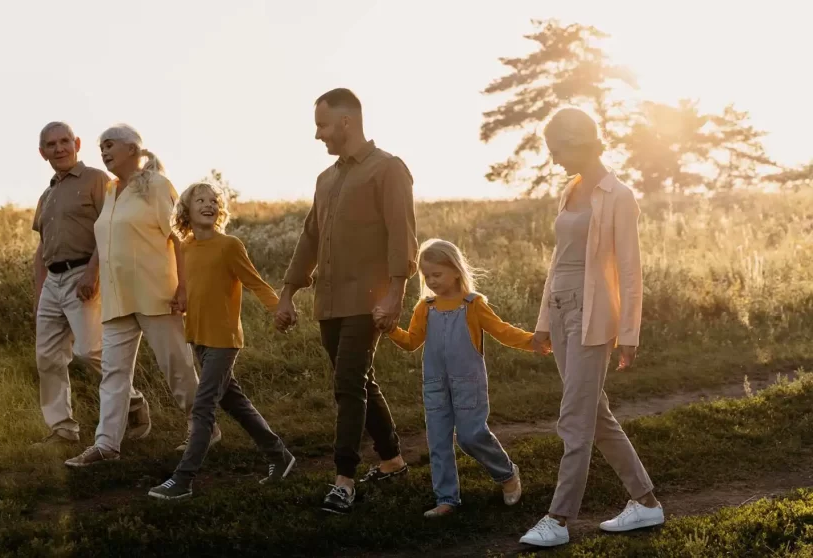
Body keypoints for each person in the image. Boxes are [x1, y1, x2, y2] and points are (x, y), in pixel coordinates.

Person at [519, 108, 662, 547]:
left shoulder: (618, 195)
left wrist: (630, 334)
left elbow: (630, 271)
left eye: (556, 148)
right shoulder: (569, 190)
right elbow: (557, 262)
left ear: (577, 141)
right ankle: (646, 503)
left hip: (591, 315)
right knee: (594, 415)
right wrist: (544, 322)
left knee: (574, 418)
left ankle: (559, 519)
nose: (554, 158)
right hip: (561, 310)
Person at [276, 88, 417, 514]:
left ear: (346, 122)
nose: (318, 135)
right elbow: (310, 238)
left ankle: (344, 479)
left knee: (347, 385)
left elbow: (402, 234)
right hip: (330, 300)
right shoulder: (327, 179)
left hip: (369, 299)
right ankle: (392, 459)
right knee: (357, 380)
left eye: (322, 125)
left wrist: (396, 294)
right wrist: (287, 293)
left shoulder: (388, 169)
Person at [64, 124, 210, 467]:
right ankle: (106, 445)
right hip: (117, 297)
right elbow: (107, 241)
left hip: (158, 292)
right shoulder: (113, 190)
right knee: (113, 373)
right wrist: (94, 275)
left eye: (109, 144)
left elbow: (180, 238)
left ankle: (204, 427)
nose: (103, 151)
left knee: (176, 367)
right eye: (101, 146)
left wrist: (184, 287)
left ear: (132, 149)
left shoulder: (156, 186)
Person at [148, 182, 296, 500]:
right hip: (198, 338)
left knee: (203, 408)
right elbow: (191, 286)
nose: (208, 203)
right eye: (199, 199)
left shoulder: (229, 245)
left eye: (213, 200)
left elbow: (254, 282)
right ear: (186, 210)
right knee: (234, 402)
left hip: (224, 340)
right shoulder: (186, 247)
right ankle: (279, 456)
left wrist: (278, 309)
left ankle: (183, 479)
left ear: (219, 210)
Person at [384, 238, 547, 518]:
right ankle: (446, 498)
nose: (432, 281)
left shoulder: (473, 305)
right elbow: (412, 342)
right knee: (438, 441)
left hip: (468, 382)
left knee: (471, 436)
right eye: (427, 276)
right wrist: (389, 329)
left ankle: (507, 473)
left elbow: (502, 330)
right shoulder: (425, 307)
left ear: (456, 270)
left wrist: (533, 341)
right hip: (435, 385)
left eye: (438, 274)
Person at [31, 121, 108, 446]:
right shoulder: (47, 195)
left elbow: (110, 231)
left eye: (65, 141)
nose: (59, 148)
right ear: (42, 152)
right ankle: (62, 429)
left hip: (84, 273)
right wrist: (39, 295)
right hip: (53, 280)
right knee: (47, 357)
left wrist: (93, 272)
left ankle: (131, 402)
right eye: (51, 144)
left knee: (90, 350)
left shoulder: (97, 180)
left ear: (77, 143)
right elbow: (41, 248)